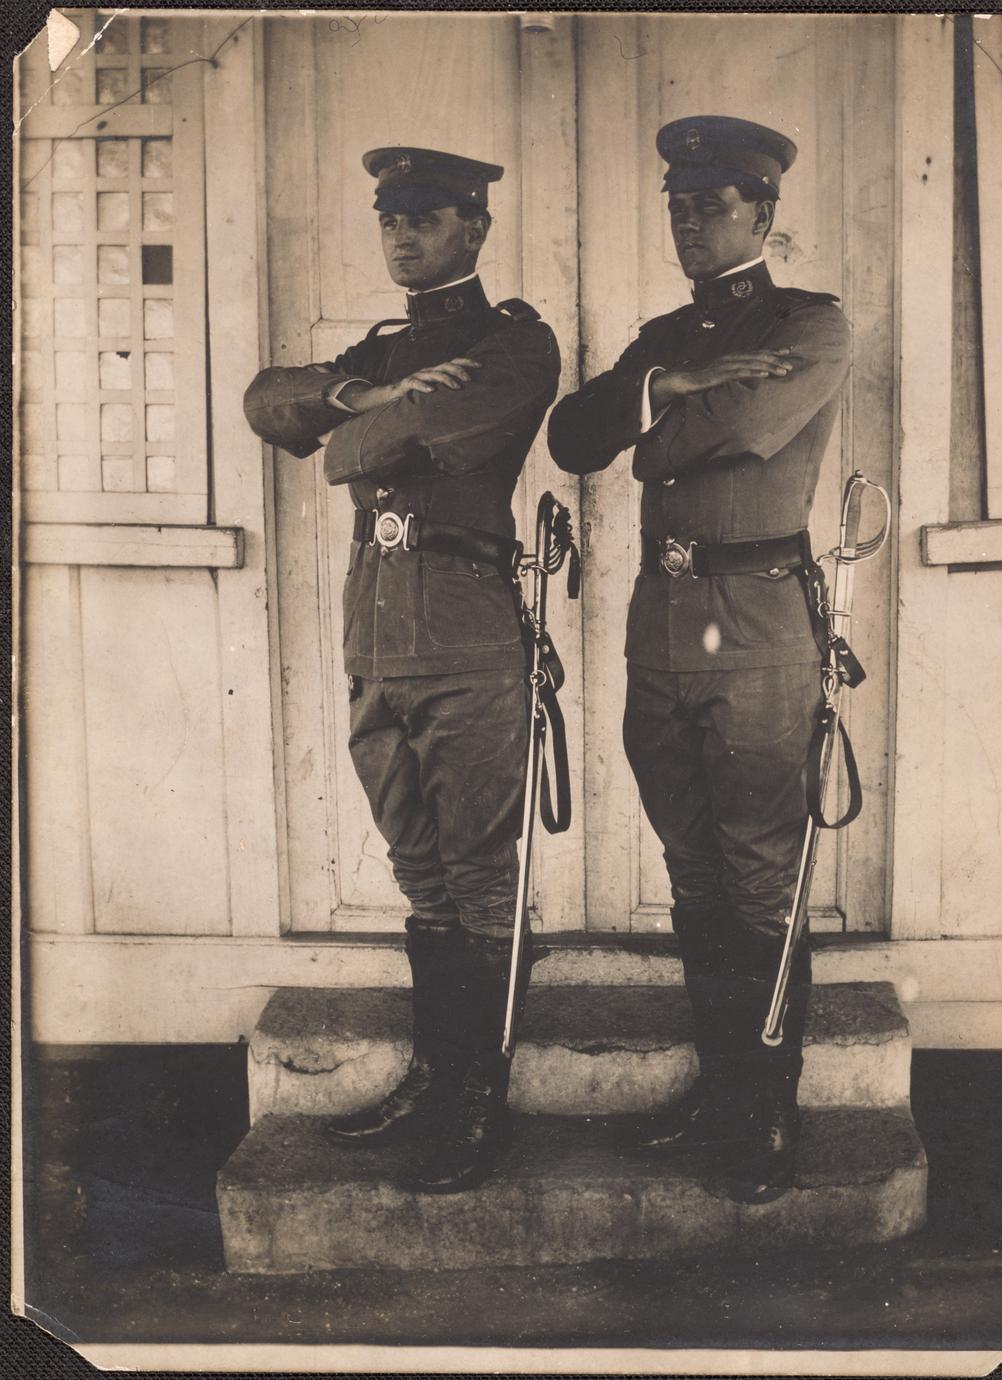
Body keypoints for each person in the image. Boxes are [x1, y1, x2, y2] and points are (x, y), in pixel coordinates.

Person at [244, 147, 560, 1193]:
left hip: (466, 626)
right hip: (373, 628)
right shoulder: (383, 348)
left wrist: (349, 426)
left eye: (427, 220)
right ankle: (438, 1072)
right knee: (418, 867)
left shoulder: (512, 343)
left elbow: (404, 438)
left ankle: (484, 1102)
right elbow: (267, 400)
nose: (404, 238)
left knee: (477, 869)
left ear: (474, 227)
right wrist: (349, 390)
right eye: (390, 221)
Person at [548, 116, 851, 1203]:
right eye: (677, 204)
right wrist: (665, 388)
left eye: (711, 204)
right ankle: (724, 1091)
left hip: (760, 621)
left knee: (763, 876)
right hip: (663, 624)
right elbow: (577, 440)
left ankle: (768, 1111)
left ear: (763, 215)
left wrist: (664, 408)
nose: (689, 221)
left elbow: (730, 438)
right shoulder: (666, 335)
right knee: (693, 873)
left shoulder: (809, 326)